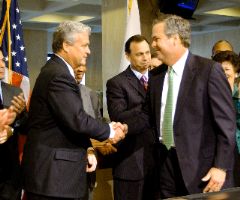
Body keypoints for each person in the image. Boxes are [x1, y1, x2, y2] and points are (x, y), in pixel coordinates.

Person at [22, 21, 127, 200]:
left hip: (58, 177)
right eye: (85, 45)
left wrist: (87, 147)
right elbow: (77, 120)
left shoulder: (57, 71)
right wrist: (110, 131)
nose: (88, 51)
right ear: (66, 45)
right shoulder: (58, 75)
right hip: (54, 179)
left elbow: (66, 124)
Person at [142, 14, 236, 199]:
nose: (152, 45)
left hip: (202, 171)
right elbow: (147, 115)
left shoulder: (209, 71)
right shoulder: (156, 76)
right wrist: (118, 129)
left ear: (175, 39)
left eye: (156, 39)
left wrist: (220, 166)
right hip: (164, 165)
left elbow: (227, 124)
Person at [106, 34, 155, 200]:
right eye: (139, 54)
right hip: (130, 163)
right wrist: (150, 107)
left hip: (157, 163)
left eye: (148, 53)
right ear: (127, 56)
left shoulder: (159, 80)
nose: (145, 58)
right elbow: (119, 116)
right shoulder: (117, 83)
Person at [0, 49, 28, 200]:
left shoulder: (15, 92)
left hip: (10, 175)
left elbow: (27, 127)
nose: (2, 65)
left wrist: (19, 117)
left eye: (3, 60)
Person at [212, 50, 240, 187]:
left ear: (236, 73)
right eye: (219, 71)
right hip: (225, 160)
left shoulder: (237, 97)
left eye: (227, 70)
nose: (223, 76)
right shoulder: (211, 99)